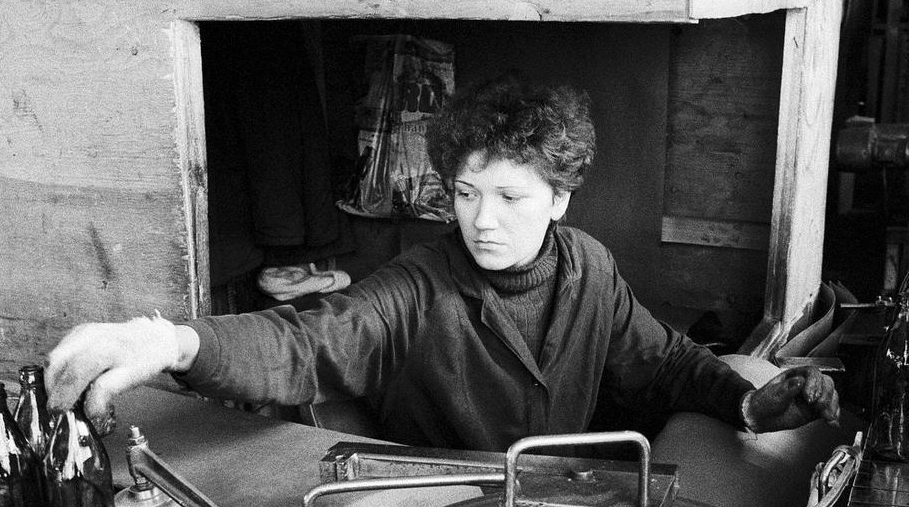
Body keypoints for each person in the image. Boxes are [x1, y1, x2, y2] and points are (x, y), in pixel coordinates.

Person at [46, 78, 839, 446]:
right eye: (465, 193)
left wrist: (749, 406)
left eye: (509, 198)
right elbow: (303, 343)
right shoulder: (416, 289)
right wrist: (170, 342)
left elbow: (665, 365)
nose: (481, 220)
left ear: (562, 199)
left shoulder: (590, 270)